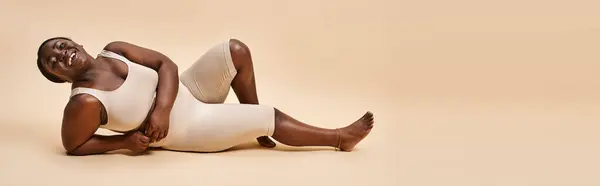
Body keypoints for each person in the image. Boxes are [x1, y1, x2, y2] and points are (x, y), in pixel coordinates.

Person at [36, 37, 374, 156]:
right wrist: (124, 143)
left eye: (62, 46)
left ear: (77, 43)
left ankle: (251, 125)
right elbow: (73, 146)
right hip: (191, 126)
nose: (61, 55)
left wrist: (161, 109)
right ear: (56, 77)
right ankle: (339, 138)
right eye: (53, 61)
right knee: (268, 114)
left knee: (235, 51)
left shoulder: (115, 50)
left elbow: (165, 63)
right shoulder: (84, 102)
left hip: (186, 90)